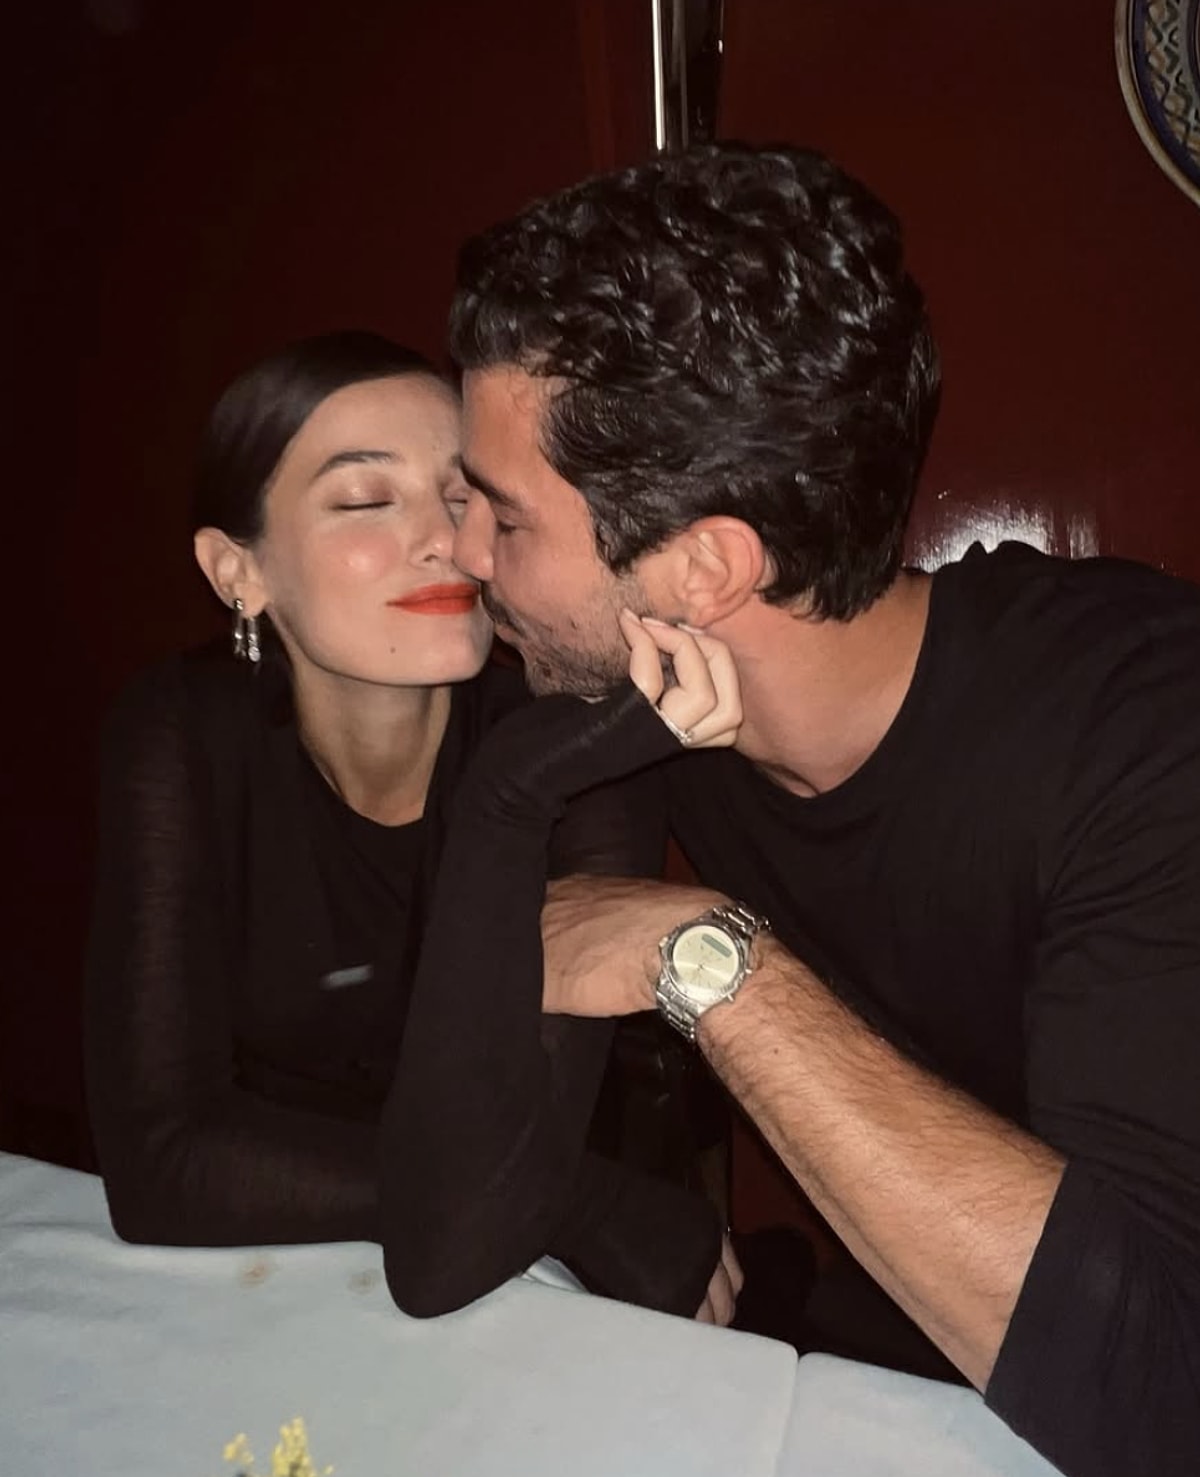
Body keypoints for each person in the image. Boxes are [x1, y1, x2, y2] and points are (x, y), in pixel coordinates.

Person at [443, 145, 1200, 1477]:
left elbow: (1164, 1390)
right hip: (907, 1362)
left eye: (505, 520)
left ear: (705, 569)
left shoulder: (1145, 730)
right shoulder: (646, 702)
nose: (461, 554)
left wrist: (701, 958)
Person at [83, 330, 742, 1325]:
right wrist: (590, 1201)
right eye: (365, 499)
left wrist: (514, 785)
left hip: (533, 1289)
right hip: (286, 1273)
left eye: (463, 493)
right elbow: (160, 1158)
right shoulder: (182, 731)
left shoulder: (567, 742)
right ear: (237, 570)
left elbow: (504, 1179)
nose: (448, 540)